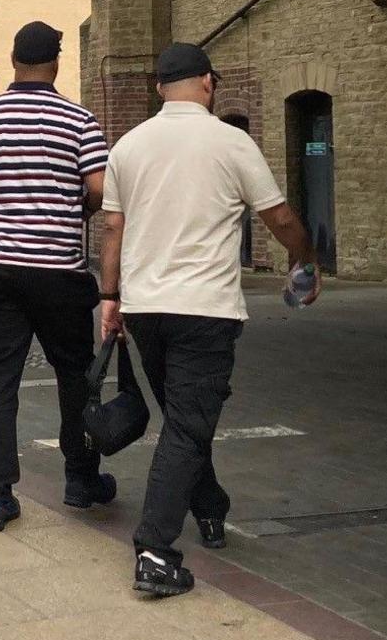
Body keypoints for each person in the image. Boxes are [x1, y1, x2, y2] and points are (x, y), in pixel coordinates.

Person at [98, 43, 318, 597]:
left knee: (183, 420)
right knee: (189, 425)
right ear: (208, 84)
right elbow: (280, 215)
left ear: (158, 89)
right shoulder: (231, 141)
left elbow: (114, 231)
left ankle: (211, 506)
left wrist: (110, 297)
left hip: (146, 308)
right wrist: (304, 259)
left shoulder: (127, 146)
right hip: (204, 310)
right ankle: (154, 550)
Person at [0, 21, 115, 533]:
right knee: (75, 375)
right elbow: (100, 191)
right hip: (58, 271)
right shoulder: (79, 121)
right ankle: (81, 479)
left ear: (13, 60)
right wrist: (71, 206)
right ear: (56, 63)